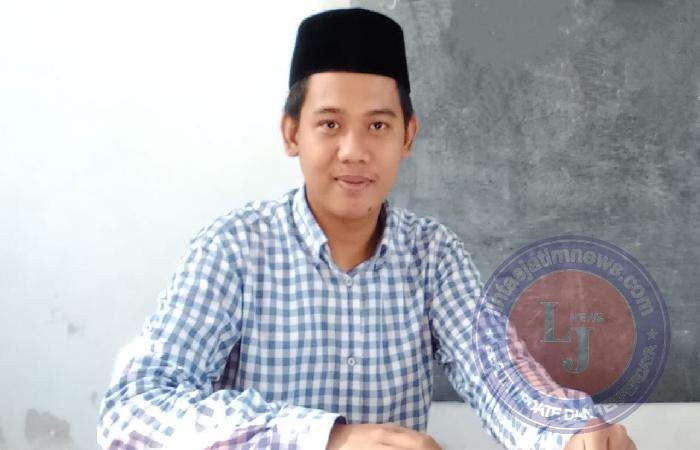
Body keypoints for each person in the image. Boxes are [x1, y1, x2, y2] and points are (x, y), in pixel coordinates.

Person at [97, 7, 637, 450]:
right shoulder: (233, 249)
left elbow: (498, 372)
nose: (354, 151)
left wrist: (568, 432)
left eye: (378, 125)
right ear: (292, 133)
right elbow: (134, 408)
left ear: (408, 136)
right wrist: (327, 439)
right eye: (330, 123)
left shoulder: (432, 255)